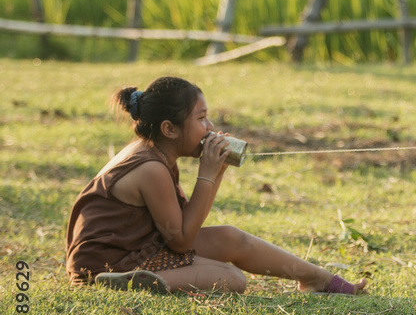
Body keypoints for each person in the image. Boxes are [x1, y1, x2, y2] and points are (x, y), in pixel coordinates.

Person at [65, 76, 367, 296]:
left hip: (132, 250)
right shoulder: (150, 168)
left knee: (231, 238)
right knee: (232, 278)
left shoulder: (155, 155)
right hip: (105, 265)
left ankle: (318, 278)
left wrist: (217, 172)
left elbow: (185, 229)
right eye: (201, 118)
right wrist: (207, 174)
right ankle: (134, 282)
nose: (210, 127)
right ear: (169, 129)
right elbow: (181, 242)